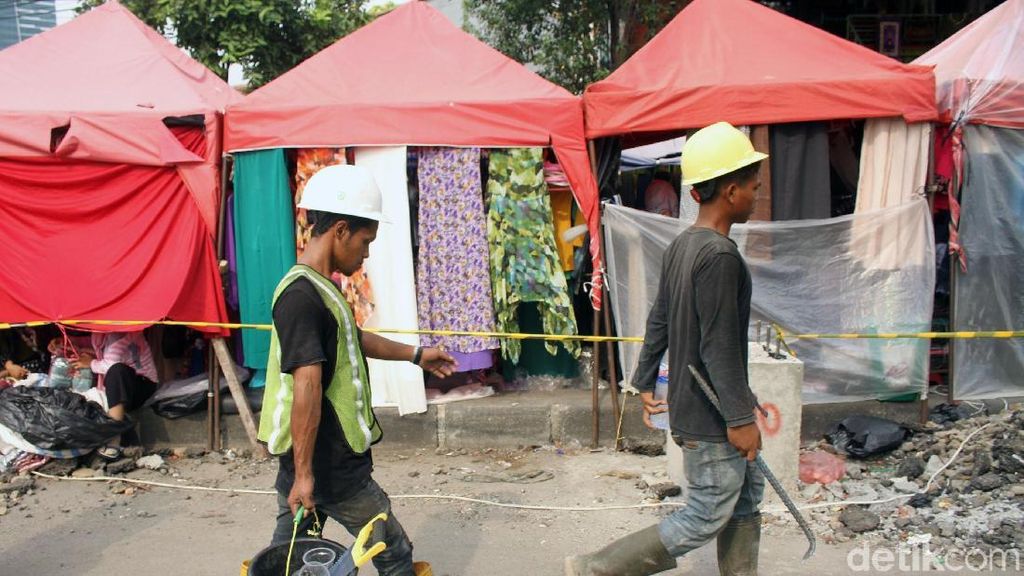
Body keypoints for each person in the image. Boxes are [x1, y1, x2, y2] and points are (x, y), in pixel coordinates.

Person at [565, 122, 768, 576]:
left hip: (706, 405)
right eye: (754, 187)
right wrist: (738, 420)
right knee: (705, 515)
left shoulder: (684, 245)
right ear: (730, 191)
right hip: (711, 414)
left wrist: (642, 381)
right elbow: (718, 348)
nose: (757, 195)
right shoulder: (718, 256)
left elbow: (659, 317)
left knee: (744, 501)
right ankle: (595, 568)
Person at [259, 164, 456, 576]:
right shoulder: (302, 298)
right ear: (341, 230)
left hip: (314, 463)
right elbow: (307, 387)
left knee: (290, 559)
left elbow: (351, 336)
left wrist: (415, 355)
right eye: (365, 241)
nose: (365, 253)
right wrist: (306, 475)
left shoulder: (318, 288)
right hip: (330, 466)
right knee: (393, 554)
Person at [50, 331, 159, 460]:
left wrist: (90, 363)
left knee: (117, 370)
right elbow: (90, 342)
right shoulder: (102, 333)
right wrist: (66, 342)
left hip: (142, 385)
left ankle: (112, 436)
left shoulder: (121, 336)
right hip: (118, 387)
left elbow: (109, 365)